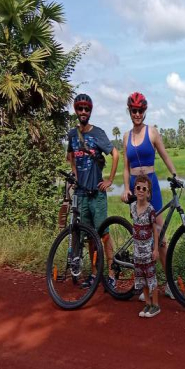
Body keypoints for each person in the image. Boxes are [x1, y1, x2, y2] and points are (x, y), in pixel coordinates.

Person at [121, 92, 178, 300]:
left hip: (151, 186)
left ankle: (170, 283)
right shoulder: (126, 137)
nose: (137, 114)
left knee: (160, 238)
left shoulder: (151, 132)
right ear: (130, 111)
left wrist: (175, 175)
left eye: (140, 110)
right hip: (136, 190)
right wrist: (126, 188)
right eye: (134, 110)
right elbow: (126, 168)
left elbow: (164, 155)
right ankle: (147, 286)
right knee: (141, 238)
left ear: (145, 112)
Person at [67, 93, 120, 288]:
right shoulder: (73, 135)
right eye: (80, 108)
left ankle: (112, 274)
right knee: (90, 236)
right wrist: (75, 176)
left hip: (97, 194)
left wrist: (110, 180)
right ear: (75, 110)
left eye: (86, 109)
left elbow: (115, 154)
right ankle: (95, 275)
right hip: (81, 195)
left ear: (90, 111)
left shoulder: (98, 133)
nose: (83, 112)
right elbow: (70, 157)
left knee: (103, 234)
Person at [131, 175, 161, 318]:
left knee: (151, 278)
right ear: (134, 190)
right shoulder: (132, 207)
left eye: (144, 189)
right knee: (141, 278)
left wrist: (155, 249)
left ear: (148, 193)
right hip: (137, 252)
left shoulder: (151, 210)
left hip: (148, 252)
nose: (141, 191)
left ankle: (155, 305)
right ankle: (147, 303)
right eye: (138, 188)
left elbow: (155, 230)